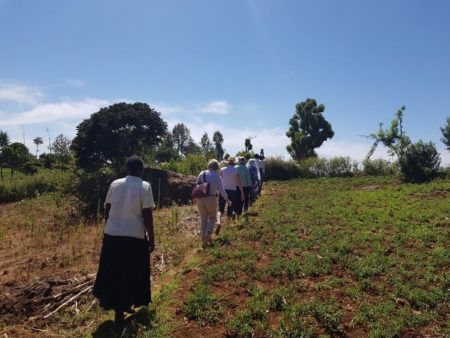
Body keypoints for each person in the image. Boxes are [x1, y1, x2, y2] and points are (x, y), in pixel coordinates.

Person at [93, 155, 155, 325]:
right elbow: (147, 214)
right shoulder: (145, 186)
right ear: (141, 170)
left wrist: (109, 227)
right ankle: (126, 304)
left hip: (112, 235)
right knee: (133, 270)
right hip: (134, 236)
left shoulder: (115, 184)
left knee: (114, 271)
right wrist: (152, 237)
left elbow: (107, 207)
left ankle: (119, 308)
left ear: (128, 169)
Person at [195, 159, 231, 248]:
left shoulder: (202, 173)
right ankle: (208, 233)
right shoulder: (217, 176)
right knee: (212, 217)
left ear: (209, 165)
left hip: (200, 199)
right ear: (216, 167)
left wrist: (195, 198)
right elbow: (221, 190)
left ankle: (203, 242)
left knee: (203, 220)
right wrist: (227, 199)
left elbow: (196, 186)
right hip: (211, 198)